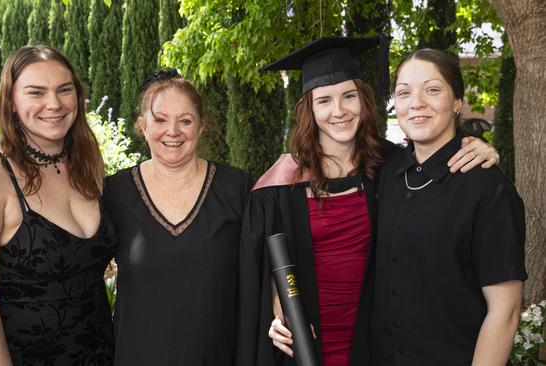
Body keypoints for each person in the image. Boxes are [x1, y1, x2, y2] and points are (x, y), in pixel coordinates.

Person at [237, 36, 500, 366]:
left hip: (375, 345)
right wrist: (275, 306)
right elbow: (259, 274)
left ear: (363, 100)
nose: (339, 111)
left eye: (349, 96)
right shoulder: (279, 186)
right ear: (309, 108)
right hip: (306, 345)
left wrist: (477, 146)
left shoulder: (393, 169)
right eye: (324, 101)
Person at [0, 45, 115, 365]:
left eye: (64, 90)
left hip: (97, 354)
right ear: (11, 102)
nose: (53, 103)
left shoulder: (86, 164)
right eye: (36, 92)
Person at [370, 48, 525, 366]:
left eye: (432, 89)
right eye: (404, 92)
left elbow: (505, 311)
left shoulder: (487, 189)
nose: (416, 103)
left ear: (456, 101)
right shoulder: (385, 174)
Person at [102, 69, 253, 365]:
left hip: (217, 356)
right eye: (160, 120)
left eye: (185, 120)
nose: (173, 131)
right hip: (137, 355)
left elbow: (264, 271)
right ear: (143, 125)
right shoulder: (114, 193)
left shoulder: (237, 189)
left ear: (201, 127)